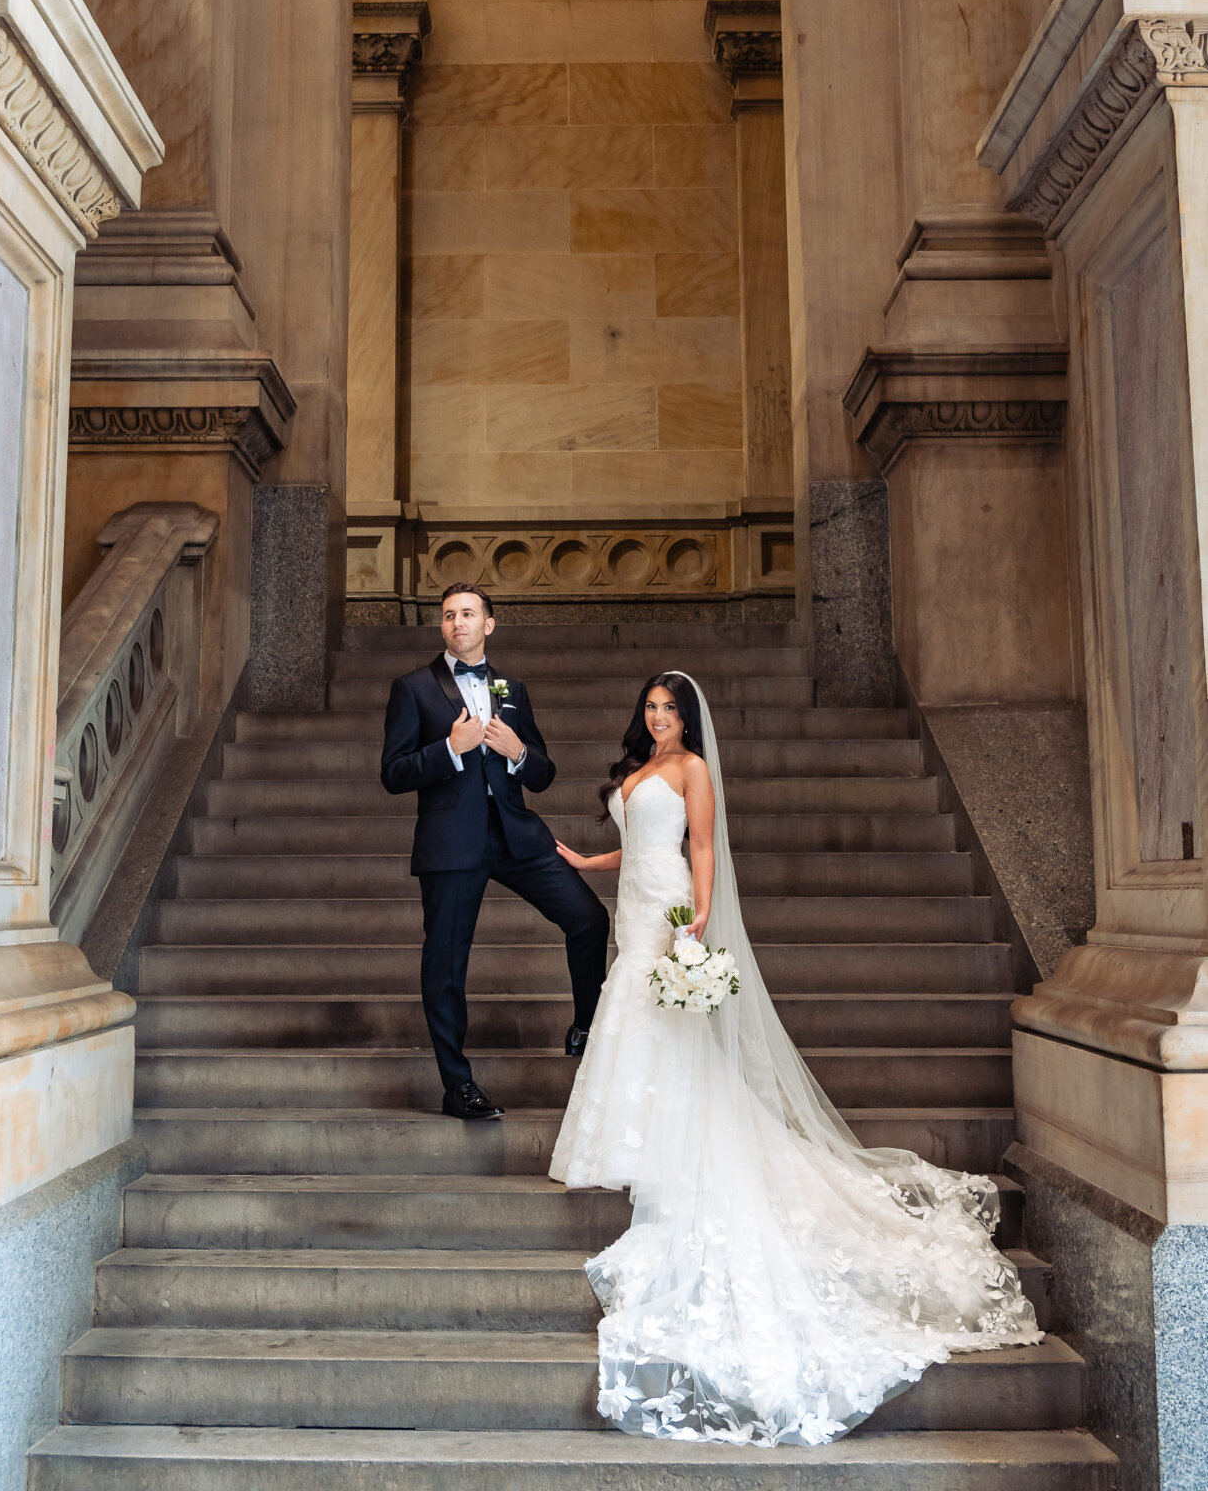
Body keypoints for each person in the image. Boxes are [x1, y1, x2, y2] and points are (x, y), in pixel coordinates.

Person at [550, 670, 1041, 1447]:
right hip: (634, 905)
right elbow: (637, 847)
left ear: (688, 720)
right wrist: (587, 864)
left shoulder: (691, 770)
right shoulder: (639, 771)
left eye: (670, 709)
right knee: (627, 1015)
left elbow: (699, 847)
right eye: (649, 707)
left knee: (654, 1021)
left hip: (671, 907)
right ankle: (626, 1136)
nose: (659, 719)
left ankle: (663, 1141)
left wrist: (697, 920)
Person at [380, 583, 610, 1122]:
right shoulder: (413, 688)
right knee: (446, 965)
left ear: (489, 624)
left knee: (589, 919)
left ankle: (585, 1025)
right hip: (451, 843)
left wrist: (519, 752)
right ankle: (457, 1085)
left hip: (515, 837)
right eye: (447, 616)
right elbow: (393, 774)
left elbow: (545, 773)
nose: (456, 622)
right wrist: (448, 750)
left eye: (467, 614)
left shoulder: (513, 689)